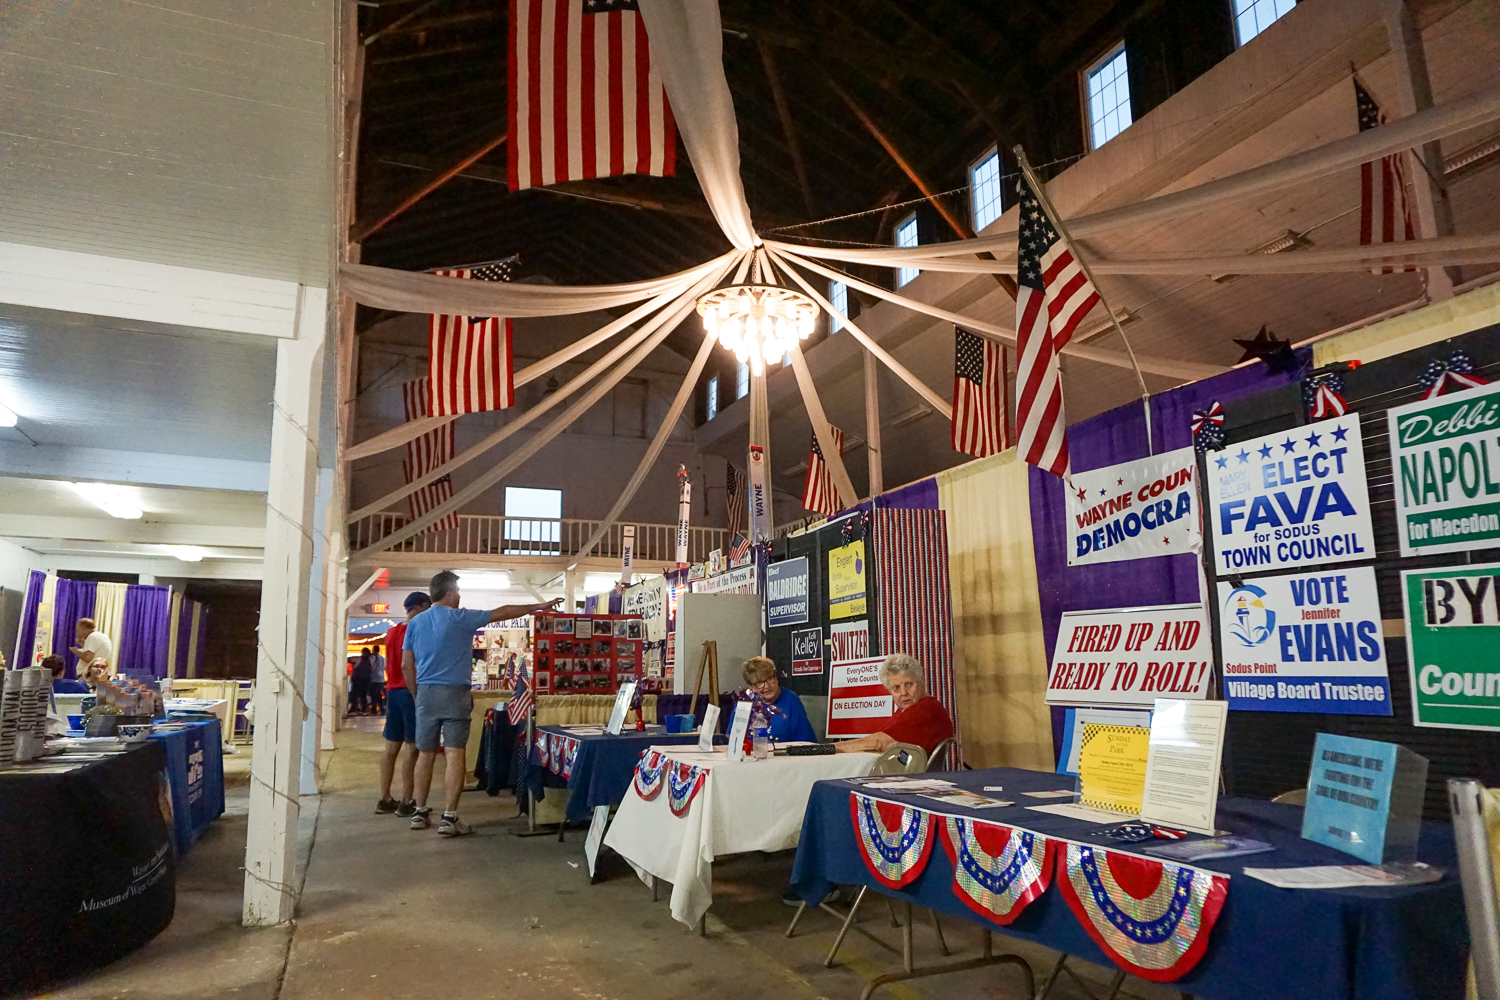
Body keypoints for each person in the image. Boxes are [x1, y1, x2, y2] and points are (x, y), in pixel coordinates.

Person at [403, 570, 559, 836]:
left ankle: (419, 812)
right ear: (450, 593)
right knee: (454, 753)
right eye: (458, 592)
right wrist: (538, 606)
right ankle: (449, 818)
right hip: (456, 693)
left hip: (426, 693)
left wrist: (418, 696)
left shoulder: (415, 623)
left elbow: (407, 664)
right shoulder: (461, 618)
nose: (460, 596)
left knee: (425, 753)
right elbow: (505, 611)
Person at [375, 591, 431, 816]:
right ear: (418, 607)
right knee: (412, 748)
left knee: (391, 748)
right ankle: (407, 801)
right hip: (410, 692)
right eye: (427, 607)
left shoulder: (391, 632)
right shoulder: (417, 631)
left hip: (392, 693)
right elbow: (413, 664)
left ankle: (385, 797)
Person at [834, 653, 953, 756]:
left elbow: (879, 743)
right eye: (896, 688)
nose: (904, 693)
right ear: (889, 691)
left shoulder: (926, 709)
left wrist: (829, 748)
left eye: (909, 684)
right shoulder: (907, 710)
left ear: (921, 683)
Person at [742, 656, 817, 744]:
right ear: (752, 686)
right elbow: (732, 739)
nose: (766, 686)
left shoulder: (791, 700)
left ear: (776, 677)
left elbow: (805, 743)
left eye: (770, 679)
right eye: (759, 683)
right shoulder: (744, 702)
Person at [350, 648, 374, 716]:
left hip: (358, 680)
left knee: (355, 695)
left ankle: (355, 709)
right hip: (365, 680)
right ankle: (363, 709)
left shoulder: (361, 660)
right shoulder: (370, 660)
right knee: (363, 695)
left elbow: (356, 668)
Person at [369, 645, 387, 714]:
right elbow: (384, 667)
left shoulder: (372, 657)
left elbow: (370, 667)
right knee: (379, 694)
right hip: (381, 679)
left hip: (373, 679)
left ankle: (374, 709)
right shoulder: (382, 658)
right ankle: (381, 709)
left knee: (374, 695)